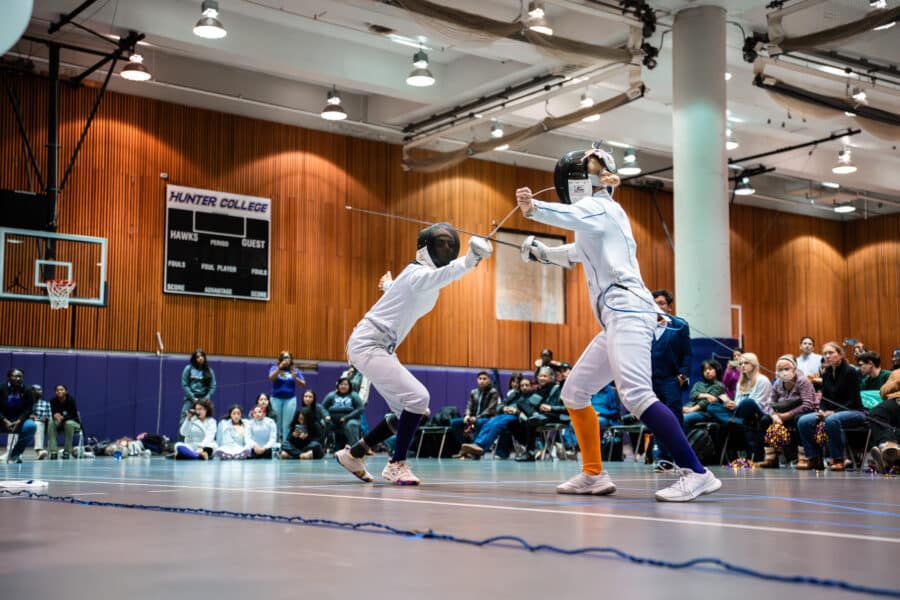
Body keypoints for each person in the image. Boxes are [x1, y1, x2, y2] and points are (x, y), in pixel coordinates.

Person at [515, 143, 721, 501]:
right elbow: (578, 252)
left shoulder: (599, 208)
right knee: (574, 392)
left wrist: (534, 209)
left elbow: (571, 218)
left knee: (637, 395)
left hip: (628, 311)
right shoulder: (599, 217)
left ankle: (696, 472)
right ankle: (594, 474)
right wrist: (544, 253)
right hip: (617, 318)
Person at [334, 222, 493, 485]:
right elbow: (437, 277)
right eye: (440, 242)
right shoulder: (419, 274)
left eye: (450, 244)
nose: (446, 247)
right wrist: (470, 260)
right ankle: (396, 464)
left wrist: (389, 285)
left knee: (411, 411)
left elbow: (405, 293)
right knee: (418, 397)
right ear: (425, 246)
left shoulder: (415, 277)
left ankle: (355, 453)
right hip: (369, 344)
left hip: (379, 346)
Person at [797, 342, 865, 471]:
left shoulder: (851, 371)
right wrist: (822, 410)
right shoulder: (827, 372)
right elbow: (825, 398)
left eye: (831, 353)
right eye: (825, 353)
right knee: (803, 421)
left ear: (840, 354)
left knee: (831, 420)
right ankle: (814, 457)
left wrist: (832, 412)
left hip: (854, 411)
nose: (828, 356)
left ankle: (839, 459)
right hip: (832, 412)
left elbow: (853, 401)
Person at [650, 289, 692, 471]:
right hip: (651, 380)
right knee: (657, 419)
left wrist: (682, 376)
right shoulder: (644, 325)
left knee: (675, 418)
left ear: (669, 307)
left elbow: (687, 354)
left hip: (671, 380)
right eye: (655, 303)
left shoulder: (679, 325)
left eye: (662, 303)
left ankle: (682, 458)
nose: (658, 306)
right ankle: (664, 459)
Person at [758, 355, 816, 468]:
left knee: (799, 420)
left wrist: (786, 416)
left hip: (801, 412)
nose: (783, 372)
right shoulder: (778, 383)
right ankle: (771, 458)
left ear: (794, 369)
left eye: (786, 369)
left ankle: (803, 458)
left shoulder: (802, 381)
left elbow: (808, 404)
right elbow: (769, 403)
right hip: (780, 414)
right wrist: (774, 416)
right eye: (780, 370)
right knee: (765, 419)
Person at [731, 352, 773, 461]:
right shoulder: (740, 383)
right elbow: (737, 400)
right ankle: (733, 418)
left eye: (746, 363)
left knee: (747, 402)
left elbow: (758, 402)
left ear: (754, 365)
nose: (742, 366)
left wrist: (738, 405)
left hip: (761, 412)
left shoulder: (762, 380)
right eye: (740, 364)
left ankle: (733, 418)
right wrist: (732, 404)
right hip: (743, 412)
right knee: (714, 405)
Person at [450, 371, 500, 446]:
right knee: (454, 422)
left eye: (484, 379)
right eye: (480, 379)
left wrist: (476, 418)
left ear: (489, 380)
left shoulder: (493, 392)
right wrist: (467, 415)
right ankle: (464, 445)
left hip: (487, 418)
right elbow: (468, 406)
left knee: (480, 422)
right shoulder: (473, 392)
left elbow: (490, 410)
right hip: (472, 418)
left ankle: (475, 447)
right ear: (477, 380)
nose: (482, 381)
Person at [268, 351, 306, 443]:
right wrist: (279, 368)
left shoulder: (294, 370)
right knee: (276, 423)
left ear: (291, 359)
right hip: (276, 399)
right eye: (284, 358)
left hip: (290, 400)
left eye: (288, 358)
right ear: (281, 359)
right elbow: (271, 378)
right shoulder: (274, 368)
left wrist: (295, 378)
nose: (286, 360)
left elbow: (303, 384)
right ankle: (275, 445)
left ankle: (285, 445)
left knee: (287, 424)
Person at [0, 368, 36, 464]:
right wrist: (5, 420)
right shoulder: (1, 388)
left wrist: (19, 420)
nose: (18, 378)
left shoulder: (27, 390)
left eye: (20, 376)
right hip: (2, 419)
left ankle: (15, 454)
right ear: (9, 377)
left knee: (31, 426)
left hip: (19, 420)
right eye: (15, 376)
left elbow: (28, 409)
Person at [683, 360, 731, 429]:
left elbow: (706, 402)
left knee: (684, 418)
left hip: (705, 413)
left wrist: (691, 410)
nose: (707, 372)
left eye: (710, 369)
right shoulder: (698, 384)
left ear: (717, 370)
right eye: (705, 370)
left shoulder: (719, 385)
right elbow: (692, 395)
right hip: (690, 407)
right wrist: (706, 395)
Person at [868, 370, 900, 472]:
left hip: (896, 400)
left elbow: (884, 391)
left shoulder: (897, 373)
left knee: (877, 414)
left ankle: (887, 446)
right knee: (893, 428)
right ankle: (891, 458)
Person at [322, 377, 365, 449]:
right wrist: (326, 415)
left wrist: (346, 417)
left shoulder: (354, 395)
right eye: (341, 384)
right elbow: (322, 407)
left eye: (346, 384)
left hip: (350, 419)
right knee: (322, 423)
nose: (343, 386)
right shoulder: (331, 395)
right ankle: (319, 447)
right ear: (338, 386)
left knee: (352, 424)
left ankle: (354, 449)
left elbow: (360, 409)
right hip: (332, 420)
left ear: (349, 386)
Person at [180, 349, 216, 428]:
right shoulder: (188, 369)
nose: (200, 358)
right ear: (194, 359)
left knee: (207, 420)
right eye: (197, 357)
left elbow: (212, 386)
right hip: (191, 399)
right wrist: (193, 397)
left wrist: (206, 398)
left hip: (204, 399)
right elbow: (185, 384)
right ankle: (182, 440)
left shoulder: (209, 371)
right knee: (183, 420)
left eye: (202, 356)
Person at [48, 384, 82, 459]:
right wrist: (55, 415)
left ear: (66, 391)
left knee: (68, 423)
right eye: (57, 390)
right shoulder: (53, 401)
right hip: (60, 423)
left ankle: (67, 452)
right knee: (51, 423)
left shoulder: (71, 400)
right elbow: (53, 413)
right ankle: (53, 452)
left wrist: (63, 417)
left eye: (62, 389)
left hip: (73, 423)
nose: (59, 391)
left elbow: (73, 415)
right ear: (55, 392)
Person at [31, 384, 50, 460]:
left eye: (40, 390)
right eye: (37, 390)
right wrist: (29, 416)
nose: (39, 391)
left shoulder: (46, 404)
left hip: (39, 424)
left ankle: (39, 450)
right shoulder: (25, 402)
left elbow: (50, 417)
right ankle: (11, 452)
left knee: (38, 424)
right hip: (25, 422)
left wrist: (46, 418)